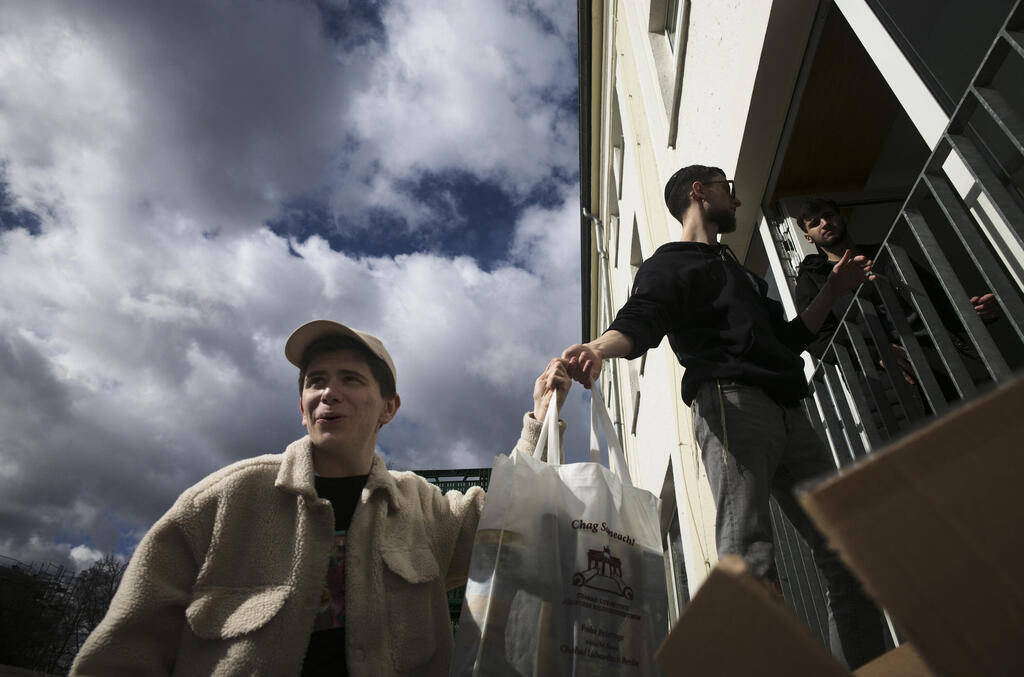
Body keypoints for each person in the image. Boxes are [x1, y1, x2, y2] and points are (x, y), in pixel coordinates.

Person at [71, 319, 570, 676]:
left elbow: (510, 514)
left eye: (350, 379)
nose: (328, 393)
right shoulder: (225, 500)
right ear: (302, 406)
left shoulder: (423, 508)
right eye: (316, 381)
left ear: (389, 408)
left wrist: (540, 417)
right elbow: (127, 647)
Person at [562, 165, 887, 669]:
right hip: (733, 406)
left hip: (791, 413)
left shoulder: (745, 277)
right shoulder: (671, 264)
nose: (735, 202)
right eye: (726, 190)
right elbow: (642, 317)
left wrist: (833, 290)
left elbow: (790, 339)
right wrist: (598, 348)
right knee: (750, 562)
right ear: (699, 192)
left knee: (850, 553)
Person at [795, 197, 997, 400]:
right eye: (814, 223)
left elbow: (937, 298)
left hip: (943, 351)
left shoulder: (888, 253)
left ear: (842, 218)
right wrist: (874, 352)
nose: (824, 223)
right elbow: (818, 339)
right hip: (889, 377)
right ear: (808, 238)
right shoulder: (813, 280)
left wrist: (971, 314)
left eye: (828, 216)